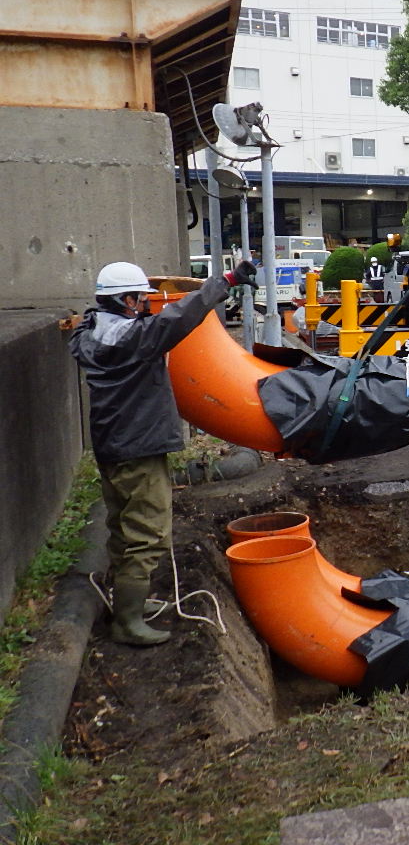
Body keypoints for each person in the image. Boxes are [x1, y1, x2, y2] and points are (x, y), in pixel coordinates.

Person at [69, 258, 257, 646]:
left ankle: (124, 605)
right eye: (139, 299)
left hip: (112, 446)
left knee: (123, 528)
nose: (144, 305)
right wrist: (226, 281)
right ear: (124, 300)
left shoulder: (92, 331)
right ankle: (128, 623)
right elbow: (178, 318)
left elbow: (149, 318)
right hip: (138, 448)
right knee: (148, 534)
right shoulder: (132, 339)